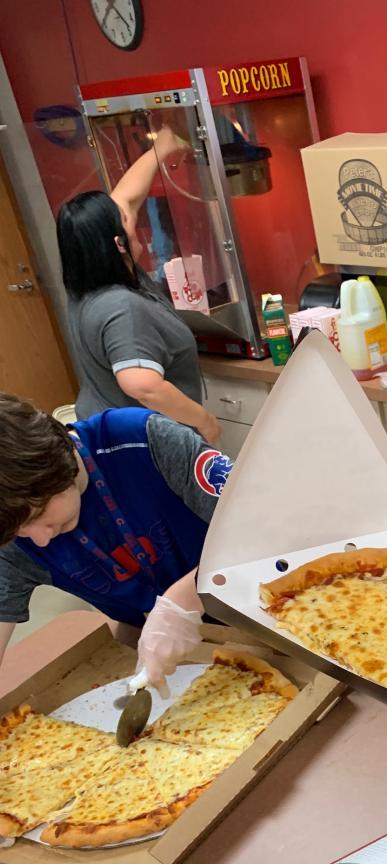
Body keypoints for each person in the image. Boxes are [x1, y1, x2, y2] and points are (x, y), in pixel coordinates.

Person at [0, 393, 234, 692]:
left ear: (56, 462)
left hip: (259, 608)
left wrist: (183, 600)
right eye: (20, 532)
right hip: (151, 644)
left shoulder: (141, 441)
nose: (40, 539)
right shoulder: (10, 529)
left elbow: (264, 529)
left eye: (39, 514)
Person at [56, 124, 221, 445]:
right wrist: (205, 421)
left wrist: (163, 146)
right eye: (125, 220)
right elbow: (142, 385)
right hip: (141, 446)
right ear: (119, 243)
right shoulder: (122, 306)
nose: (132, 216)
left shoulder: (89, 279)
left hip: (104, 431)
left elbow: (126, 199)